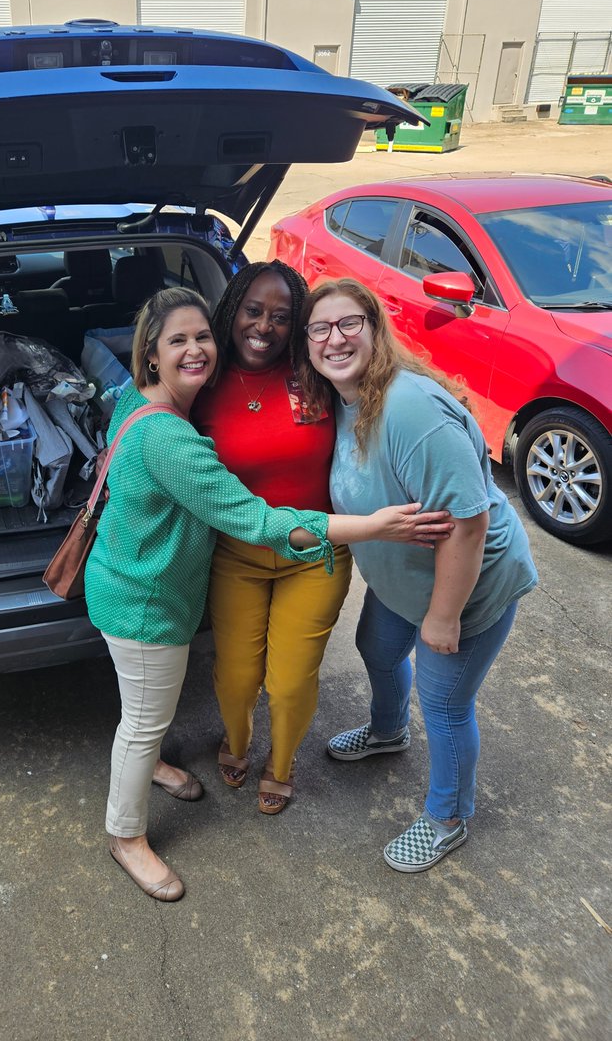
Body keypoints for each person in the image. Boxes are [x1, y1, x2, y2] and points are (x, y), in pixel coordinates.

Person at [84, 287, 453, 902]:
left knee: (147, 715)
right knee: (145, 722)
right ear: (150, 354)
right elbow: (258, 522)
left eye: (202, 336)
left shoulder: (136, 400)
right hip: (144, 604)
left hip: (124, 582)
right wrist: (374, 525)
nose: (197, 349)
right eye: (178, 340)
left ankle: (154, 767)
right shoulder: (171, 440)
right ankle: (126, 837)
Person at [298, 278, 538, 873]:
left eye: (350, 323)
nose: (336, 338)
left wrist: (443, 616)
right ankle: (387, 731)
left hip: (468, 587)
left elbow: (470, 523)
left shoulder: (408, 410)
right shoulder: (344, 400)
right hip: (405, 581)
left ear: (376, 329)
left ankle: (448, 817)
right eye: (320, 328)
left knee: (446, 704)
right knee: (376, 648)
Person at [192, 261, 353, 814]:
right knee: (237, 678)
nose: (264, 326)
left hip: (317, 557)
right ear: (232, 310)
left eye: (281, 317)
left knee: (287, 683)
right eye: (253, 311)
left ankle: (280, 765)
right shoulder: (202, 382)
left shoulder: (316, 374)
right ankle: (235, 741)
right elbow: (149, 418)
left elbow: (379, 391)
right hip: (237, 556)